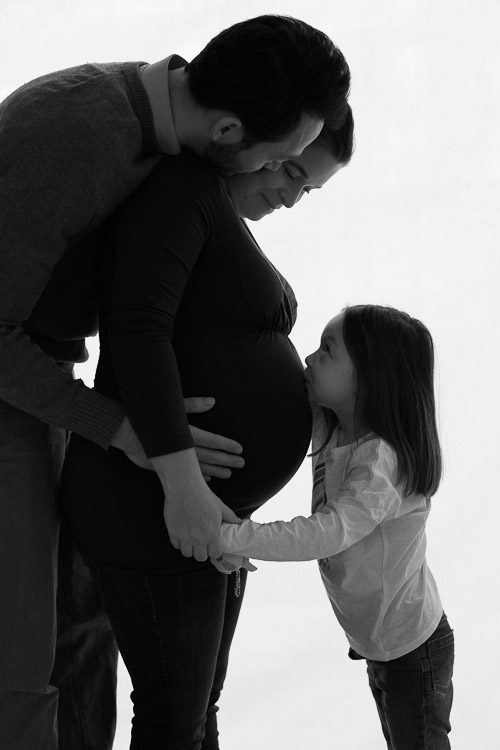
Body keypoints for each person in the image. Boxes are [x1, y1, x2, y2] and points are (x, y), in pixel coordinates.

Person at [0, 14, 351, 749]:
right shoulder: (78, 134)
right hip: (12, 387)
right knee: (26, 653)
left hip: (46, 378)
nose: (279, 184)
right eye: (281, 160)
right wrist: (132, 432)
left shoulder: (162, 128)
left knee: (78, 633)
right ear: (229, 132)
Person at [221, 305, 454, 749]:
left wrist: (231, 535)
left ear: (369, 377)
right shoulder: (332, 427)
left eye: (327, 350)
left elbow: (324, 532)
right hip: (380, 644)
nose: (310, 358)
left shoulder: (381, 464)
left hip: (413, 648)